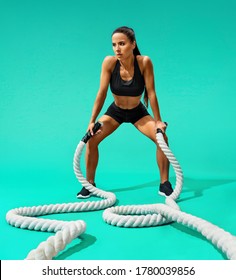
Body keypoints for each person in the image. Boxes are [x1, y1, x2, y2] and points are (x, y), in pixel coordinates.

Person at [77, 26, 173, 199]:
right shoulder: (109, 62)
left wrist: (158, 121)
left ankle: (164, 183)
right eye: (114, 45)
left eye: (122, 44)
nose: (117, 49)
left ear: (133, 44)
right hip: (116, 112)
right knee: (91, 138)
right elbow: (101, 93)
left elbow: (151, 93)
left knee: (162, 139)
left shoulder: (144, 62)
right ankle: (89, 184)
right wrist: (91, 121)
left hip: (138, 113)